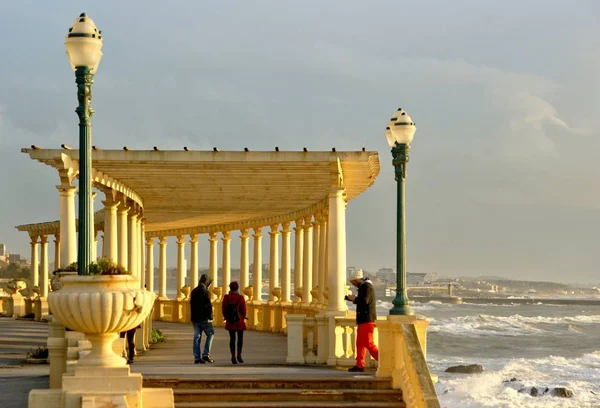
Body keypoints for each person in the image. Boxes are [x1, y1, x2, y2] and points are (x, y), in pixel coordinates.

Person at [345, 273, 379, 372]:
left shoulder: (366, 286)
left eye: (354, 283)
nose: (354, 285)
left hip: (367, 319)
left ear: (357, 280)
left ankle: (383, 361)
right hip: (364, 319)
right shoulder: (365, 286)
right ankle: (360, 364)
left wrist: (353, 299)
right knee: (360, 343)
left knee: (368, 343)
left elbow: (364, 300)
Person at [190, 274, 215, 364]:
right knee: (211, 334)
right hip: (204, 318)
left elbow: (191, 305)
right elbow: (208, 306)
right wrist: (211, 317)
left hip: (195, 318)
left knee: (197, 337)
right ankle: (206, 355)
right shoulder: (206, 292)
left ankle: (197, 358)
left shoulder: (193, 291)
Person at [221, 281, 247, 364]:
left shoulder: (226, 297)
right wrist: (242, 317)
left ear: (230, 288)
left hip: (230, 321)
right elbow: (244, 310)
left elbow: (224, 309)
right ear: (237, 288)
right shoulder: (240, 298)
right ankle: (239, 355)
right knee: (240, 339)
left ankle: (233, 356)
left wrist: (227, 317)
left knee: (232, 339)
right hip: (239, 321)